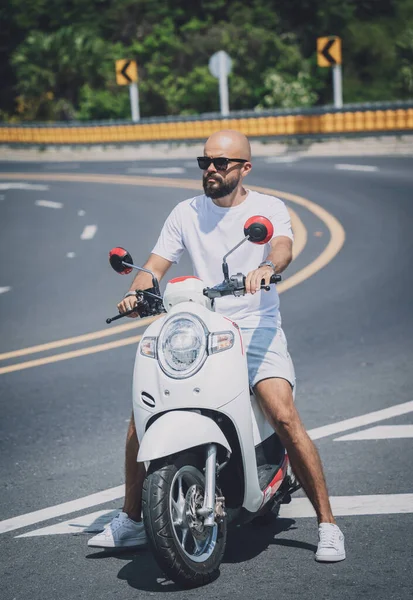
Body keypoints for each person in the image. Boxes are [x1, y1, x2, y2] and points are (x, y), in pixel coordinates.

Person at [88, 130, 345, 562]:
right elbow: (154, 265)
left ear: (244, 167)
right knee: (141, 419)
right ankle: (133, 519)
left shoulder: (267, 209)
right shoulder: (186, 212)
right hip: (202, 329)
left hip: (254, 325)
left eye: (220, 163)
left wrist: (265, 268)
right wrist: (139, 290)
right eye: (204, 162)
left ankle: (328, 524)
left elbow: (282, 246)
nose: (210, 170)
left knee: (281, 413)